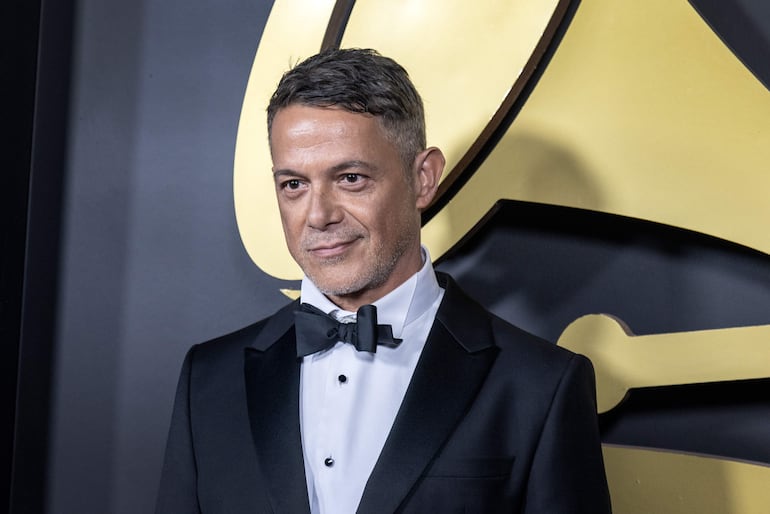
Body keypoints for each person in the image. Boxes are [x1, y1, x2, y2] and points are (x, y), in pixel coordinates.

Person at [155, 48, 611, 514]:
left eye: (350, 178)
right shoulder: (208, 381)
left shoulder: (540, 386)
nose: (318, 216)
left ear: (423, 178)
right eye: (294, 184)